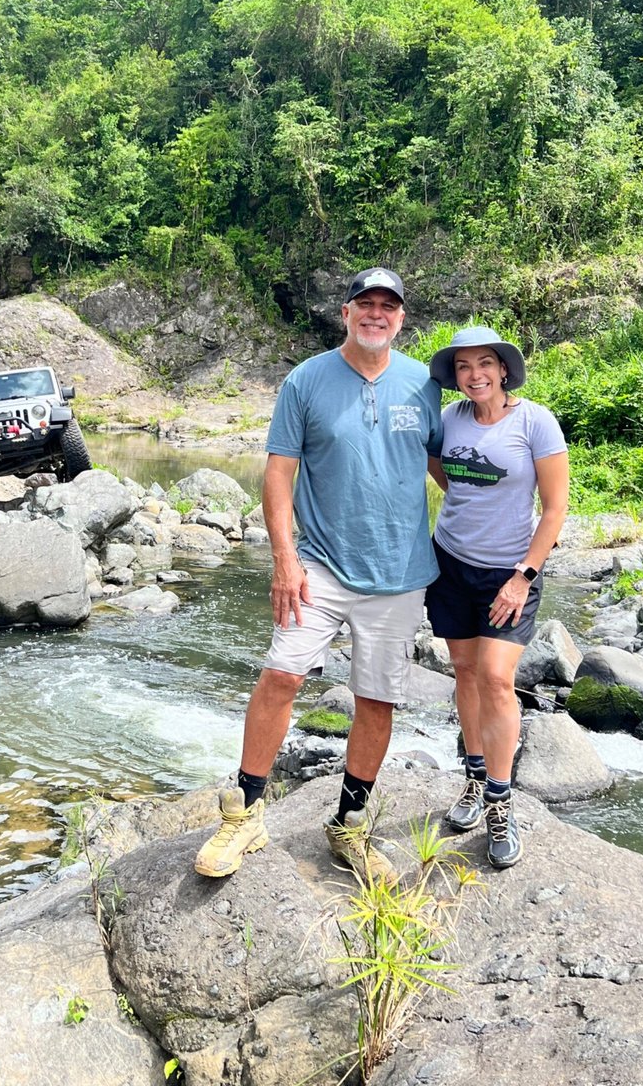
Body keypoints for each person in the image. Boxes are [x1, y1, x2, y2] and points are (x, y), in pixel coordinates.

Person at [194, 267, 442, 878]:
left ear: (401, 318)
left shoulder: (424, 386)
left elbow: (445, 467)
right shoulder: (306, 381)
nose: (376, 314)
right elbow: (278, 475)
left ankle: (349, 826)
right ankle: (245, 815)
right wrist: (285, 560)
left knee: (377, 700)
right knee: (281, 675)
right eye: (366, 304)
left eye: (388, 306)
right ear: (346, 312)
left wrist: (509, 513)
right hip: (320, 567)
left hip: (402, 572)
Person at [424, 326, 569, 869]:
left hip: (510, 572)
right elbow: (444, 471)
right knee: (464, 674)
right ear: (455, 376)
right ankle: (474, 777)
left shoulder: (536, 421)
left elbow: (554, 508)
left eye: (485, 363)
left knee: (497, 678)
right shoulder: (450, 420)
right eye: (464, 367)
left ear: (504, 369)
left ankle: (499, 801)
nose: (475, 374)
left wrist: (523, 575)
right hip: (450, 565)